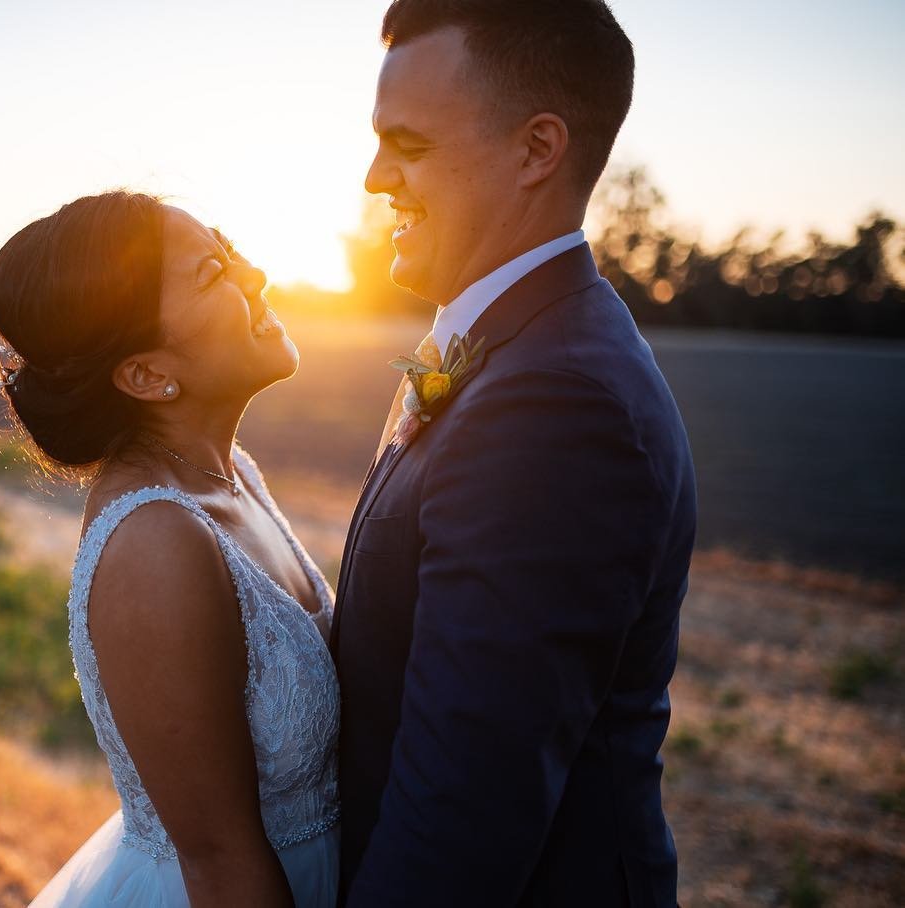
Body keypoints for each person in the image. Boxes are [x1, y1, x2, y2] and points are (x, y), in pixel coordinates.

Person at [331, 1, 696, 905]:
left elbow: (457, 828)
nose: (377, 177)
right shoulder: (514, 345)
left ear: (537, 150)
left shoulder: (555, 403)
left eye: (408, 145)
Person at [0, 191, 340, 908]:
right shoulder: (155, 544)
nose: (256, 276)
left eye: (230, 248)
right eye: (214, 272)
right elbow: (219, 859)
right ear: (147, 374)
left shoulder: (232, 474)